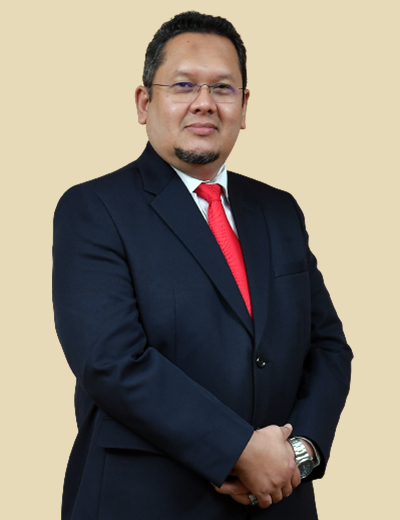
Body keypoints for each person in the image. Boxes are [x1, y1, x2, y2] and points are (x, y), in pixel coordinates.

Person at [53, 11, 352, 520]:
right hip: (144, 502)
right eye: (183, 85)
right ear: (144, 102)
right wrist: (240, 450)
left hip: (278, 502)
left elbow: (328, 348)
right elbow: (112, 362)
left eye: (223, 88)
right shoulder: (94, 209)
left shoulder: (279, 211)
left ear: (244, 106)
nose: (204, 102)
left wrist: (300, 454)